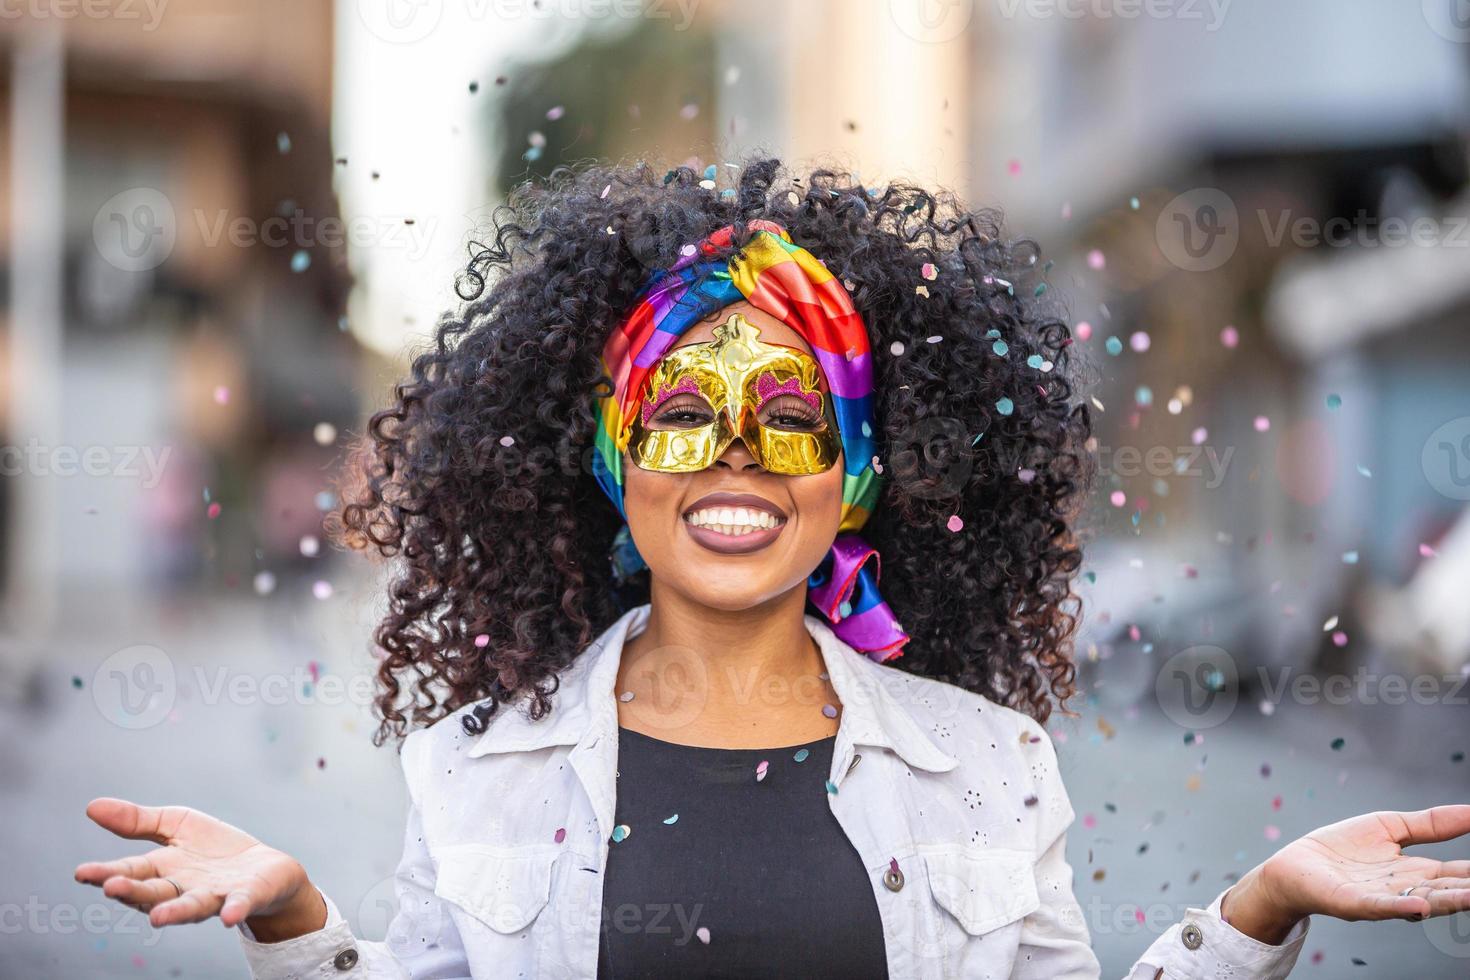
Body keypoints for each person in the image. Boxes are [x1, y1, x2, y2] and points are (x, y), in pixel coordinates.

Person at [75, 158, 1470, 978]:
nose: (736, 454)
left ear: (856, 471)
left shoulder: (986, 763)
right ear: (618, 462)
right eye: (681, 414)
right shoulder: (474, 762)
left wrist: (1258, 908)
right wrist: (301, 920)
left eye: (792, 419)